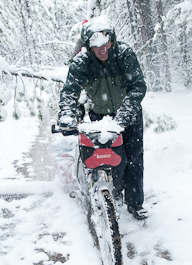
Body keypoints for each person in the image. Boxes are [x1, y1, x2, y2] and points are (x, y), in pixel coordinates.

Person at [58, 15, 148, 220]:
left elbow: (138, 87)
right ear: (88, 45)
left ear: (112, 39)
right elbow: (70, 91)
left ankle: (135, 204)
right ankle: (113, 195)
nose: (102, 49)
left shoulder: (124, 54)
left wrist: (126, 112)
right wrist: (66, 114)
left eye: (106, 43)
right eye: (97, 45)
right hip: (102, 116)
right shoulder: (82, 62)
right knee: (113, 160)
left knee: (134, 158)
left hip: (130, 115)